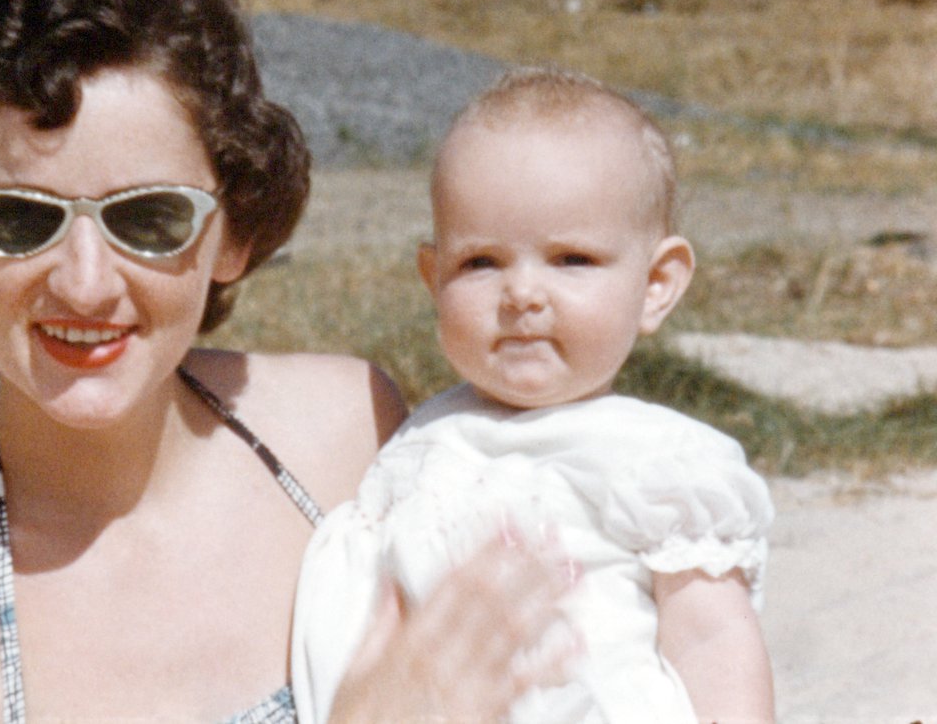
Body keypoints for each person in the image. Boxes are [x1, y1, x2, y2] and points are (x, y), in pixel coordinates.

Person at [0, 0, 576, 723]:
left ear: (234, 232)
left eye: (151, 217)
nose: (85, 284)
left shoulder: (346, 430)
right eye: (18, 219)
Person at [292, 65, 776, 723]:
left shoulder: (655, 462)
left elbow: (712, 640)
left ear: (657, 284)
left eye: (572, 259)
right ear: (434, 279)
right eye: (480, 263)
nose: (521, 293)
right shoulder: (418, 446)